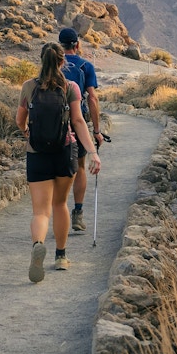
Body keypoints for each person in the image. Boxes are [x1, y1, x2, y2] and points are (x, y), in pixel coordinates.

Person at [16, 42, 101, 283]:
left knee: (41, 211)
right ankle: (61, 257)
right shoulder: (70, 87)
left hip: (37, 153)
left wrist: (27, 132)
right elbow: (78, 122)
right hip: (65, 152)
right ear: (63, 62)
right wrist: (92, 152)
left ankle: (38, 244)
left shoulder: (28, 87)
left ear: (41, 61)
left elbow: (19, 119)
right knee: (60, 204)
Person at [58, 27, 103, 232]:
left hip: (54, 121)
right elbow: (92, 98)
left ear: (60, 45)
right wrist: (96, 130)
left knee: (56, 168)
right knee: (80, 166)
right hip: (78, 119)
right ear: (77, 44)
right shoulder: (86, 66)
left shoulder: (52, 65)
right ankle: (77, 213)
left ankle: (59, 212)